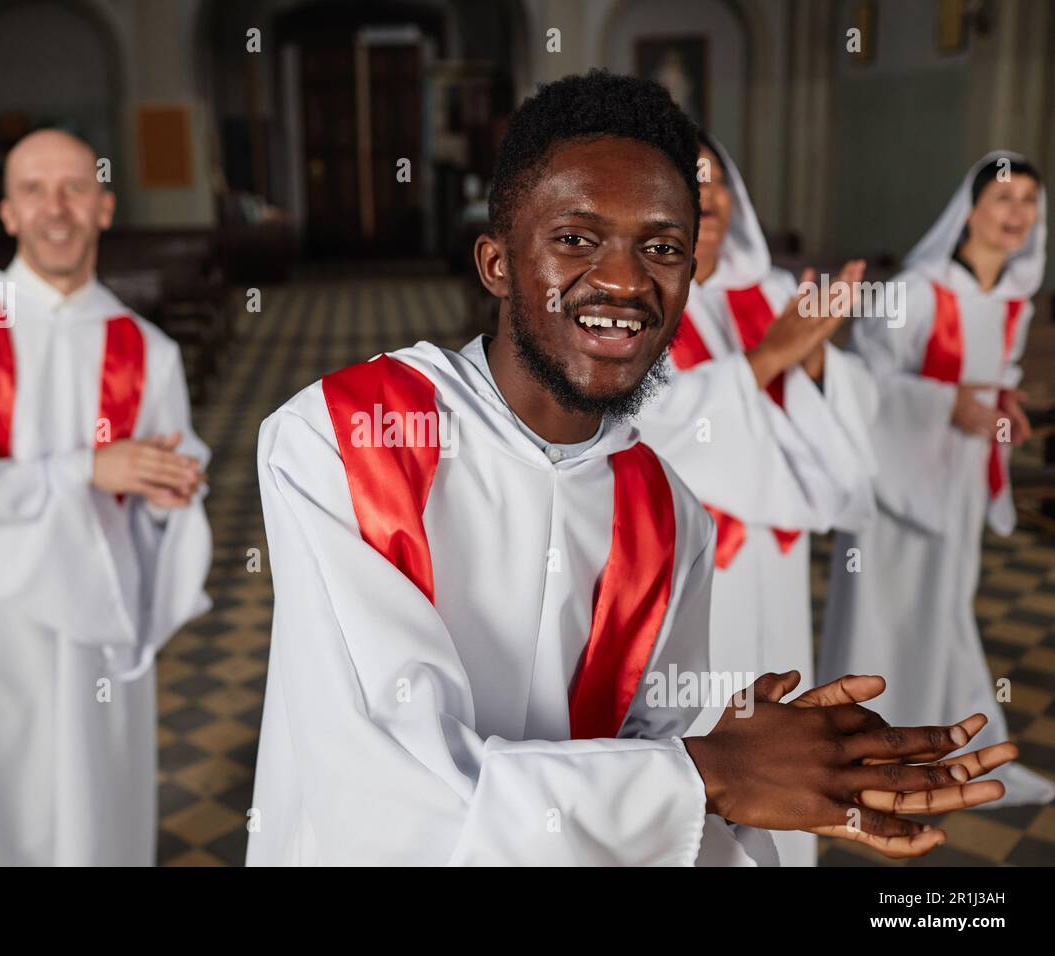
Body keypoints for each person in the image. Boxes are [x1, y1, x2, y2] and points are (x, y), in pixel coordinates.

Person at [246, 72, 1014, 866]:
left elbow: (660, 783)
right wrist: (714, 773)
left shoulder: (667, 514)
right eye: (576, 238)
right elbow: (390, 795)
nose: (623, 279)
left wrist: (767, 780)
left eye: (662, 246)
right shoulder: (344, 440)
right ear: (496, 263)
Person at [0, 129, 213, 865]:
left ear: (104, 206)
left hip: (93, 621)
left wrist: (170, 498)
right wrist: (83, 471)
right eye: (34, 190)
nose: (55, 209)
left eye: (73, 189)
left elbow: (162, 475)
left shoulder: (145, 349)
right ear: (6, 213)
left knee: (87, 805)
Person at [633, 134, 879, 865]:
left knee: (785, 701)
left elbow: (840, 400)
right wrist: (768, 357)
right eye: (691, 183)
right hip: (699, 556)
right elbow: (655, 422)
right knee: (713, 717)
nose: (708, 200)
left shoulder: (769, 290)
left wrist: (811, 357)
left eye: (718, 186)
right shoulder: (638, 293)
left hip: (775, 552)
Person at [822, 151, 1055, 807]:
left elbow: (997, 381)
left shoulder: (1015, 301)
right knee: (882, 612)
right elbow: (862, 384)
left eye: (1030, 202)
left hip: (957, 486)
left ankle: (934, 747)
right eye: (1005, 199)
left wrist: (1003, 413)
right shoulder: (914, 292)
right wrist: (943, 404)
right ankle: (859, 751)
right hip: (896, 487)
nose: (1018, 214)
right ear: (971, 209)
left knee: (944, 609)